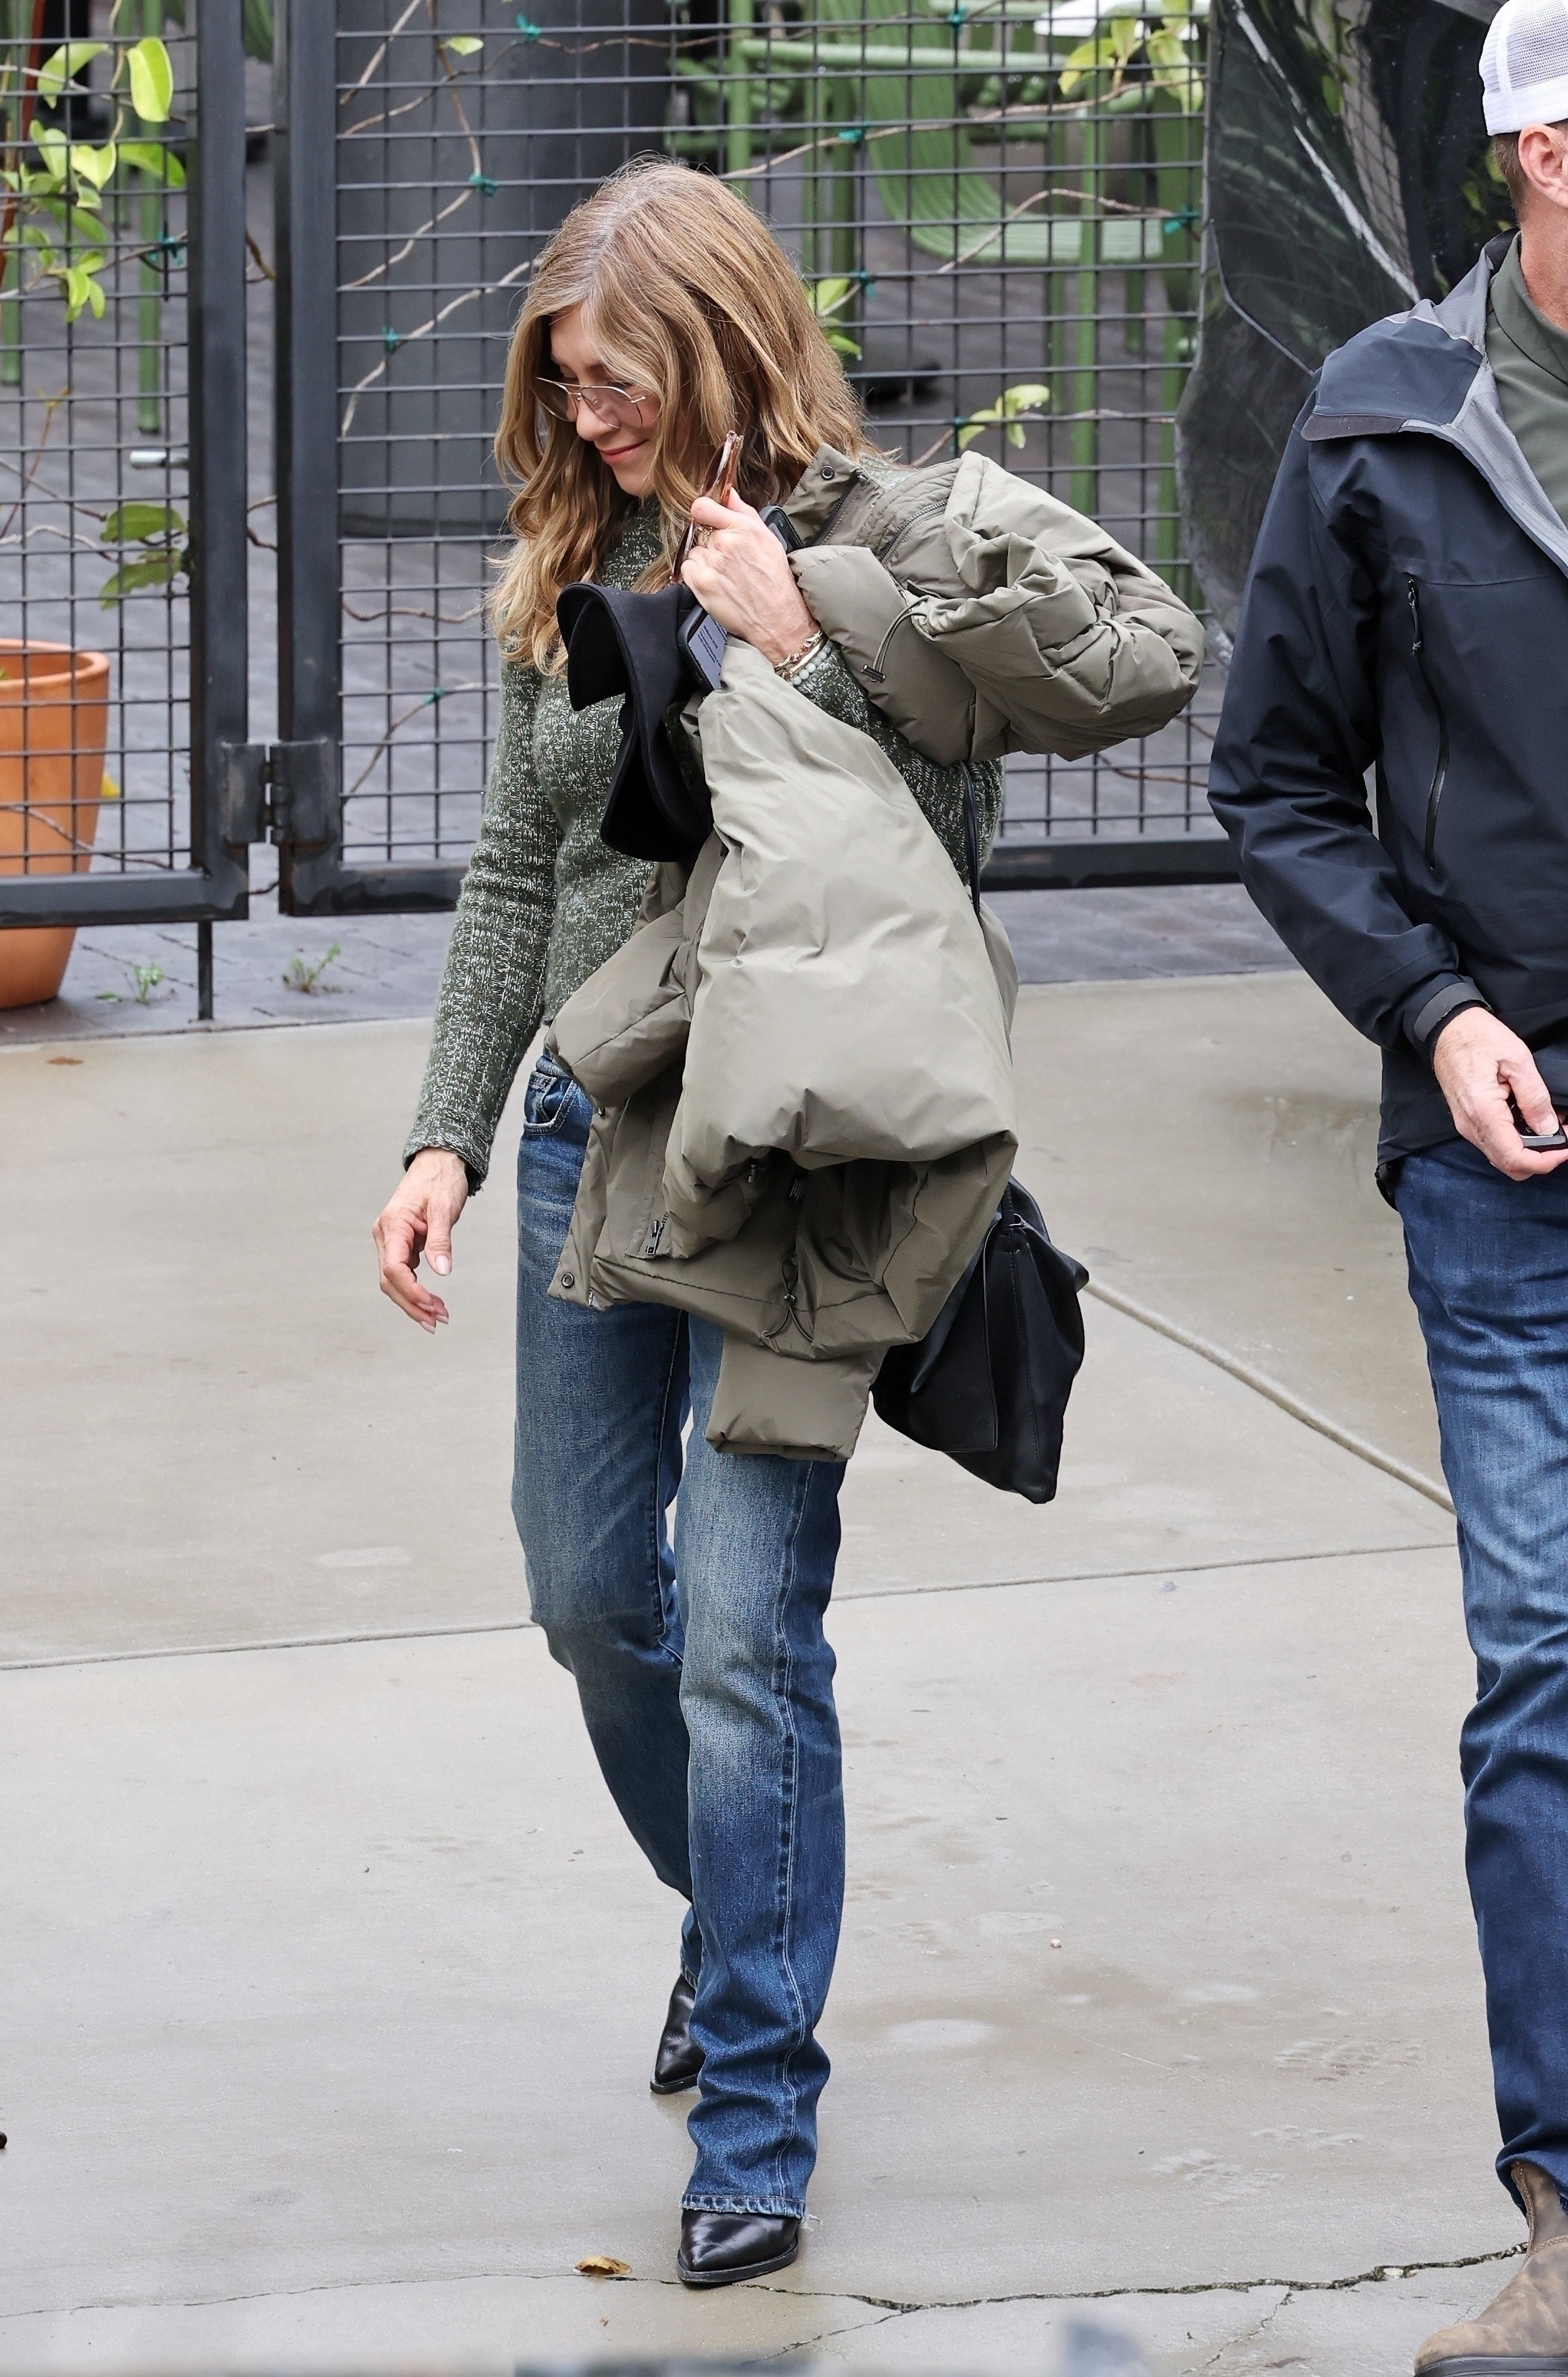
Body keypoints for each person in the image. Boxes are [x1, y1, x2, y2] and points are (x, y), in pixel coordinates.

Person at [374, 156, 1197, 2286]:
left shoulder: (895, 546)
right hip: (596, 1132)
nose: (592, 420)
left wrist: (795, 638)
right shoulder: (580, 547)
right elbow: (511, 879)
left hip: (813, 1171)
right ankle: (736, 1914)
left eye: (619, 378)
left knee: (750, 1631)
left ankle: (757, 2097)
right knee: (588, 1595)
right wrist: (444, 1134)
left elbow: (922, 855)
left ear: (722, 337)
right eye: (564, 385)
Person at [1208, 6, 1568, 2368]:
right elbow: (1276, 778)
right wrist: (1434, 1014)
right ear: (1546, 149)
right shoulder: (1379, 416)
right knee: (1549, 1668)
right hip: (1503, 1159)